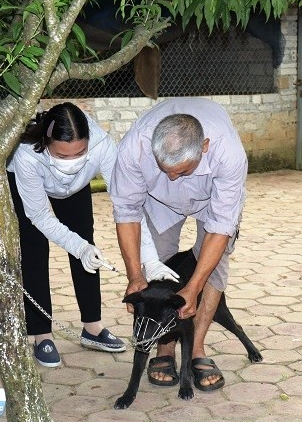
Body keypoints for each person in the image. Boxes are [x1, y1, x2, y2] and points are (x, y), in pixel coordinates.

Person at [110, 97, 247, 391]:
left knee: (212, 271)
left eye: (182, 171)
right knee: (155, 266)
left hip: (211, 203)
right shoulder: (134, 148)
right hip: (157, 203)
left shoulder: (228, 154)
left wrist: (194, 286)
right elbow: (126, 213)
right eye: (164, 169)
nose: (172, 178)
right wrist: (135, 275)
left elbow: (221, 226)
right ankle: (165, 348)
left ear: (204, 148)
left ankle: (196, 348)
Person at [6, 102, 126, 368]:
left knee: (86, 244)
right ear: (48, 143)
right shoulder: (27, 155)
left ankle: (92, 327)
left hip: (76, 187)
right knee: (34, 250)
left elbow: (124, 200)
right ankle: (41, 334)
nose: (72, 161)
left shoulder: (102, 145)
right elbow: (39, 217)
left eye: (79, 153)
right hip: (31, 183)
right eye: (63, 155)